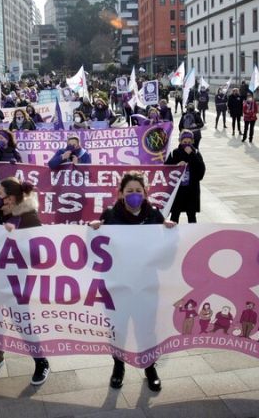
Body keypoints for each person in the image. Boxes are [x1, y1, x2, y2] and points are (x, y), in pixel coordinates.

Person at [88, 171, 177, 392]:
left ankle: (149, 368)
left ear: (146, 193)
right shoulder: (109, 215)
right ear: (120, 194)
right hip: (116, 285)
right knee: (118, 329)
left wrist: (170, 232)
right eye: (130, 191)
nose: (134, 195)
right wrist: (92, 230)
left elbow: (166, 254)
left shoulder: (155, 216)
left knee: (145, 328)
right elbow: (95, 251)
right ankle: (118, 368)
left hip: (146, 284)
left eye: (138, 191)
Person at [0, 178, 50, 386]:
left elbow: (38, 251)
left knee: (22, 319)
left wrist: (15, 237)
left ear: (11, 198)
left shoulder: (27, 216)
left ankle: (40, 360)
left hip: (17, 278)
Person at [164, 130, 206, 223]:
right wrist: (177, 166)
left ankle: (193, 235)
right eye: (184, 142)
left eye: (189, 142)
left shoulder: (196, 153)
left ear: (192, 142)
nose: (187, 144)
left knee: (191, 216)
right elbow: (166, 170)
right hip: (177, 192)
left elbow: (201, 172)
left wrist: (192, 155)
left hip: (191, 191)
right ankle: (172, 235)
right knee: (175, 215)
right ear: (180, 141)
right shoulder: (174, 153)